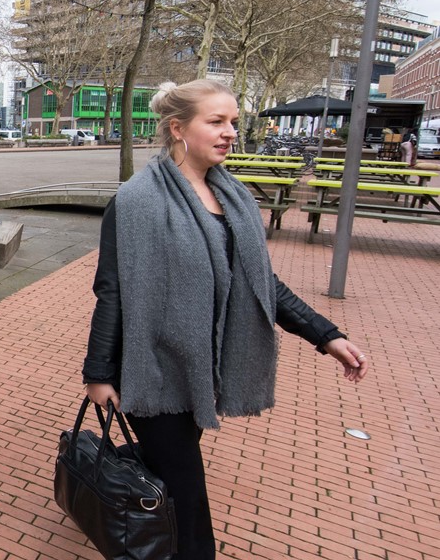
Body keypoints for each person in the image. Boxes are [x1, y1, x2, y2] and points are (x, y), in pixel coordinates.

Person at [83, 79, 369, 559]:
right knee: (187, 496)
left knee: (168, 478)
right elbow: (113, 290)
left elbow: (261, 286)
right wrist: (98, 373)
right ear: (178, 129)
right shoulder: (136, 202)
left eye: (233, 121)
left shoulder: (232, 196)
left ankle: (126, 501)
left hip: (202, 369)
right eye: (215, 122)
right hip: (154, 371)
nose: (230, 131)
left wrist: (327, 336)